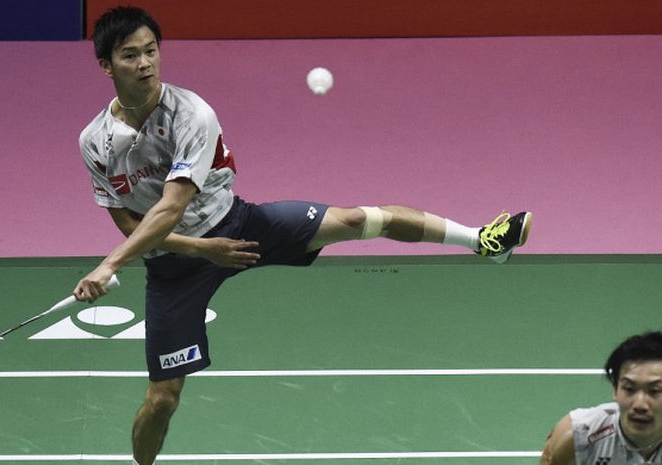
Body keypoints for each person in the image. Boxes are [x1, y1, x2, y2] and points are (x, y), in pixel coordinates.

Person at [73, 7, 532, 465]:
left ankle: (481, 241)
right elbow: (131, 225)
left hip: (237, 224)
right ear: (106, 66)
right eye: (130, 55)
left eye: (151, 51)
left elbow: (171, 207)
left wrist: (111, 263)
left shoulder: (191, 113)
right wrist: (200, 250)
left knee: (356, 220)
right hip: (174, 266)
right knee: (162, 400)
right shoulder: (95, 141)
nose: (145, 64)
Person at [539, 331, 662, 465]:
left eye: (655, 390)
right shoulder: (577, 436)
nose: (640, 405)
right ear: (615, 389)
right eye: (629, 388)